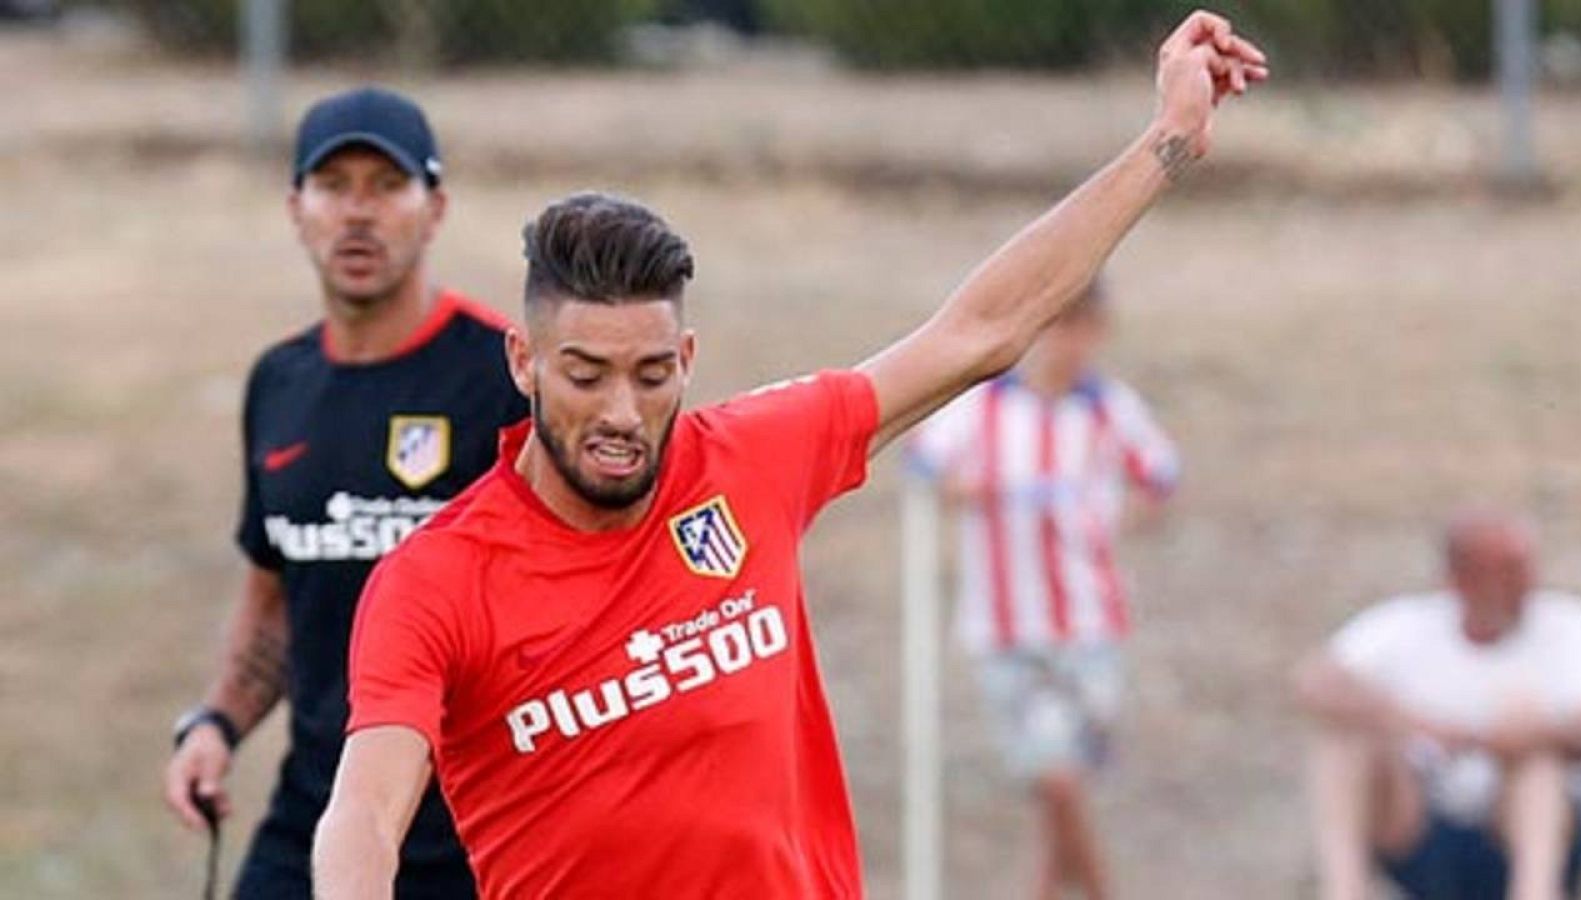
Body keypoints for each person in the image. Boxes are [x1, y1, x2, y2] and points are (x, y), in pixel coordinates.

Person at [311, 12, 1268, 898]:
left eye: (651, 375)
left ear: (687, 358)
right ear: (523, 360)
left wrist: (1168, 141)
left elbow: (980, 331)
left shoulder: (751, 459)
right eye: (584, 373)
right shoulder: (437, 579)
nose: (621, 412)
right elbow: (366, 810)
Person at [161, 87, 526, 897]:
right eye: (334, 186)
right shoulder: (279, 382)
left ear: (434, 209)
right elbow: (277, 593)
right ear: (297, 207)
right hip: (319, 820)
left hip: (480, 836)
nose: (358, 214)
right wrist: (217, 724)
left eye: (386, 186)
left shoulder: (506, 375)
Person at [906, 280, 1179, 900]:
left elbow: (1160, 475)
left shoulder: (1108, 409)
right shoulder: (986, 410)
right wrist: (964, 493)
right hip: (1008, 628)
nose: (1066, 345)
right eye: (1056, 328)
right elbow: (924, 464)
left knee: (1060, 789)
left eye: (1080, 329)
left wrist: (1117, 521)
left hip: (1089, 625)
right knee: (1054, 779)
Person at [1296, 513, 1581, 900]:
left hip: (1528, 829)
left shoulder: (1571, 626)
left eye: (1524, 569)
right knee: (1344, 741)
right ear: (1460, 580)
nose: (1523, 584)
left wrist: (1535, 732)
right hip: (1422, 825)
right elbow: (1315, 682)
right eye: (1505, 572)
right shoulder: (1407, 625)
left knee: (1537, 759)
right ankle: (1345, 890)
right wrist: (1416, 725)